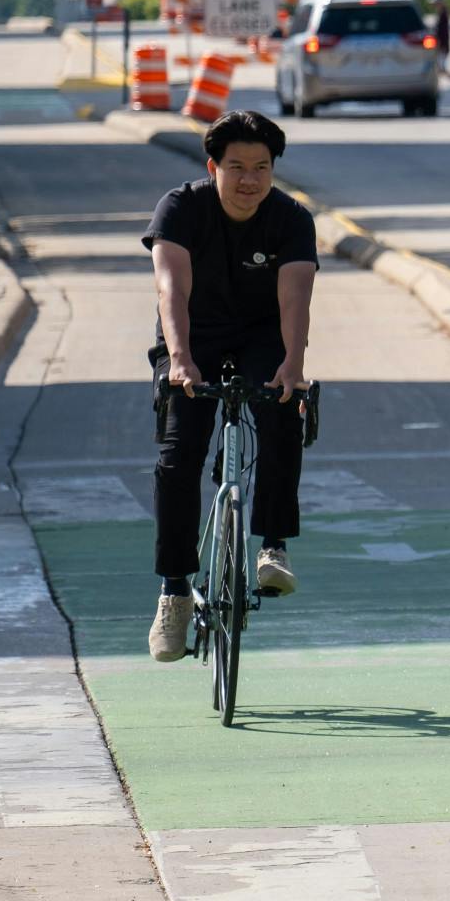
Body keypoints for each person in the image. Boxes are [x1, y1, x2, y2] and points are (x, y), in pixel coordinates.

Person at [144, 111, 317, 661]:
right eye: (237, 167)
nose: (250, 181)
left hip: (263, 333)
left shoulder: (291, 218)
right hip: (192, 334)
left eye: (262, 168)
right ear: (212, 166)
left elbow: (295, 299)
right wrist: (179, 360)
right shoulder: (180, 208)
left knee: (284, 412)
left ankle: (273, 545)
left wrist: (293, 363)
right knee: (180, 454)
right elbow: (170, 288)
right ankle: (173, 589)